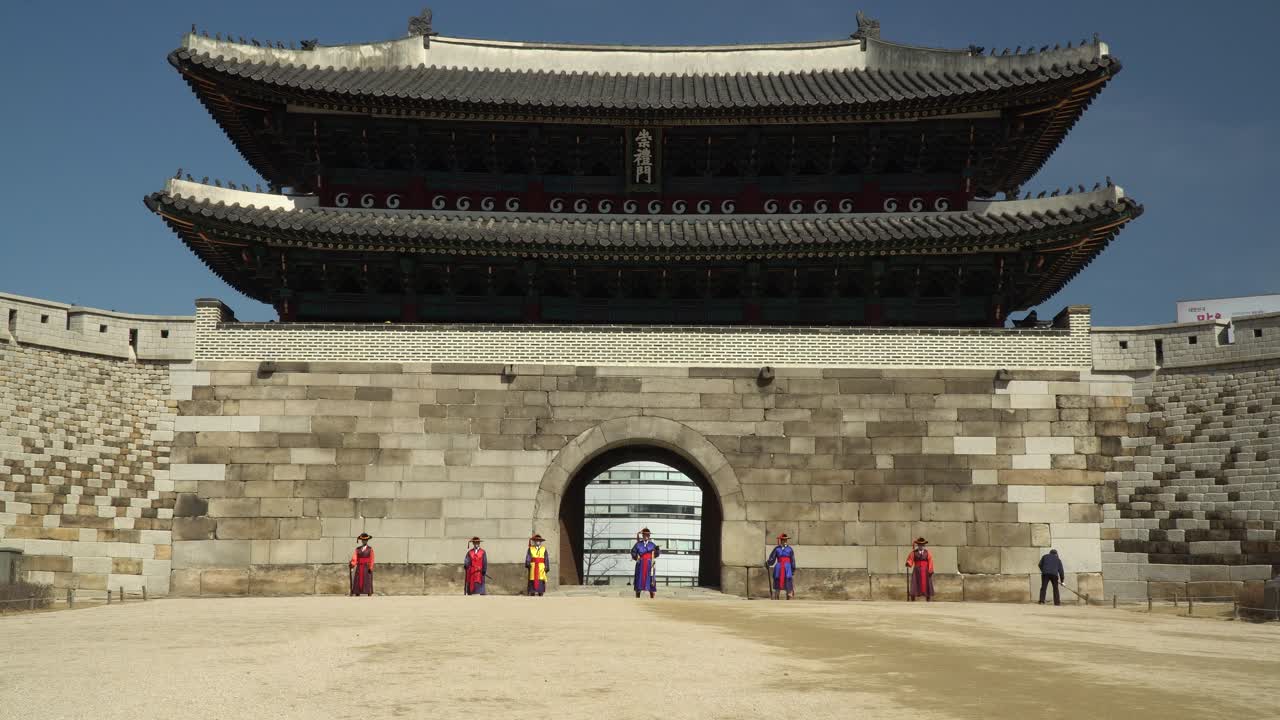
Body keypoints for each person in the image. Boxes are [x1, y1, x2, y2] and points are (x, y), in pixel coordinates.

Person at [630, 528, 660, 599]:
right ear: (642, 535)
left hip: (650, 563)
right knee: (639, 578)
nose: (646, 536)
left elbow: (656, 555)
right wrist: (636, 558)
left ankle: (652, 596)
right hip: (641, 563)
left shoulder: (652, 545)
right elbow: (633, 552)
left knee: (651, 578)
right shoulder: (638, 544)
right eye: (645, 535)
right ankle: (637, 596)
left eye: (647, 535)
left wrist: (657, 550)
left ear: (649, 536)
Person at [766, 533, 797, 600]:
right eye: (783, 540)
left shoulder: (790, 549)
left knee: (788, 583)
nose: (784, 541)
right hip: (779, 567)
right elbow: (772, 558)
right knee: (777, 583)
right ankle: (776, 597)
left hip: (787, 568)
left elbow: (792, 559)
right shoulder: (777, 549)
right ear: (781, 540)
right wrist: (769, 562)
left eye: (785, 540)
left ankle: (789, 597)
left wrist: (793, 569)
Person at [905, 537, 934, 602]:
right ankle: (913, 597)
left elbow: (930, 561)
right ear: (918, 545)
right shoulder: (914, 552)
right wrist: (908, 563)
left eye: (923, 545)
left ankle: (928, 597)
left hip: (925, 570)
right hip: (917, 570)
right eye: (920, 545)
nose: (921, 546)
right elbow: (910, 559)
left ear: (924, 546)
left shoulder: (927, 553)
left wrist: (930, 569)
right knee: (915, 583)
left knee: (927, 583)